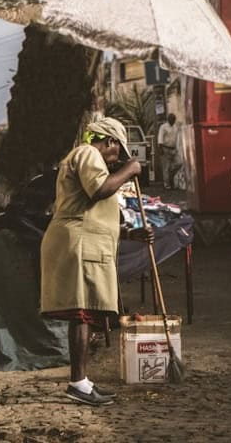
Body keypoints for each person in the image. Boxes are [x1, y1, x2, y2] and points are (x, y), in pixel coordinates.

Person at [40, 116, 153, 406]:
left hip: (86, 240)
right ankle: (77, 383)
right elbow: (99, 190)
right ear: (109, 142)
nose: (120, 158)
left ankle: (83, 380)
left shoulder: (90, 159)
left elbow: (94, 210)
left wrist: (131, 233)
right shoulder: (88, 153)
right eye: (119, 152)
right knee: (81, 312)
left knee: (86, 311)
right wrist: (131, 169)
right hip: (78, 242)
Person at [156, 113, 180, 189]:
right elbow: (160, 138)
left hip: (173, 148)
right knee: (166, 167)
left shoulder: (176, 127)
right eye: (172, 119)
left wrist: (177, 148)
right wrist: (160, 149)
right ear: (168, 119)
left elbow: (177, 139)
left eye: (174, 119)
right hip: (165, 148)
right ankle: (167, 185)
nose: (173, 121)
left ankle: (171, 174)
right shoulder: (163, 127)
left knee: (179, 163)